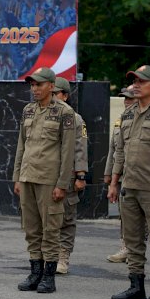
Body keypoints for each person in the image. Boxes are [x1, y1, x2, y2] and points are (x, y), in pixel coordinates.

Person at [109, 65, 150, 299]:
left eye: (140, 81)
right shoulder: (127, 114)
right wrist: (114, 182)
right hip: (129, 186)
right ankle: (136, 287)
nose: (135, 85)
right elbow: (120, 152)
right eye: (134, 80)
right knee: (133, 240)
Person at [13, 67, 75, 293]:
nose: (34, 89)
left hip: (49, 179)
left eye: (39, 84)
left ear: (51, 86)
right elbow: (22, 145)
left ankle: (49, 276)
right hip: (28, 176)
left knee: (51, 228)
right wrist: (17, 176)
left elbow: (68, 152)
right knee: (31, 228)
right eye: (32, 85)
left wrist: (62, 184)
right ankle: (35, 271)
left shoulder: (64, 112)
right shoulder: (28, 110)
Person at [52, 77, 88, 274]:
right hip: (46, 174)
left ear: (65, 95)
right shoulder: (44, 114)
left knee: (66, 218)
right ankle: (47, 254)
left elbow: (80, 149)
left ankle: (63, 256)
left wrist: (80, 176)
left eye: (56, 94)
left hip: (68, 176)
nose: (53, 98)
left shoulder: (75, 118)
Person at [104, 85, 137, 263]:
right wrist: (109, 175)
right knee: (124, 214)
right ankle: (126, 248)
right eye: (125, 99)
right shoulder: (121, 121)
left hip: (142, 176)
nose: (126, 102)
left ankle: (136, 249)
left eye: (130, 98)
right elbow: (114, 150)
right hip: (122, 175)